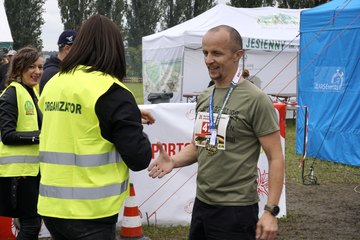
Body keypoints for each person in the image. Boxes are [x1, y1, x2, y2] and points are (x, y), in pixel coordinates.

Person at [148, 25, 285, 240]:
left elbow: (275, 157)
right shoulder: (205, 96)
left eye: (216, 53)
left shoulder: (256, 99)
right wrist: (173, 161)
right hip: (202, 204)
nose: (208, 59)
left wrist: (271, 211)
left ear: (238, 55)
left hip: (236, 209)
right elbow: (198, 146)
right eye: (205, 52)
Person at [38, 15, 153, 240]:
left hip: (51, 206)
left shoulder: (54, 83)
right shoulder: (112, 90)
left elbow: (77, 123)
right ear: (115, 50)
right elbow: (139, 158)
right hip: (91, 212)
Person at [0, 47, 43, 239]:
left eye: (40, 67)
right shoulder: (11, 94)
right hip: (17, 174)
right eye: (32, 66)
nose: (38, 71)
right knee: (31, 224)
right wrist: (38, 136)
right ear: (19, 68)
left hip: (30, 172)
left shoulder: (32, 93)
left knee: (32, 224)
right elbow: (7, 135)